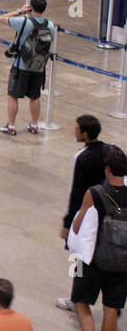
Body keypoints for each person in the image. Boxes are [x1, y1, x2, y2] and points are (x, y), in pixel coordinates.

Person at [69, 145, 127, 331]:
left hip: (90, 259)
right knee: (112, 307)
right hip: (123, 262)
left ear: (108, 170)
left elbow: (77, 225)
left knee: (80, 301)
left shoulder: (94, 193)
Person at [58, 116, 116, 312]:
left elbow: (76, 192)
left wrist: (68, 223)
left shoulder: (81, 157)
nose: (73, 131)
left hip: (85, 216)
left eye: (76, 129)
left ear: (85, 134)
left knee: (76, 256)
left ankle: (76, 297)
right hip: (110, 215)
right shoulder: (113, 151)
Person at [0, 0, 51, 136]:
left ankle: (12, 126)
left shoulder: (24, 22)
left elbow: (2, 18)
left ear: (31, 7)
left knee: (13, 95)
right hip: (39, 67)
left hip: (21, 65)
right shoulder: (50, 25)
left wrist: (20, 12)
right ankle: (34, 125)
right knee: (35, 96)